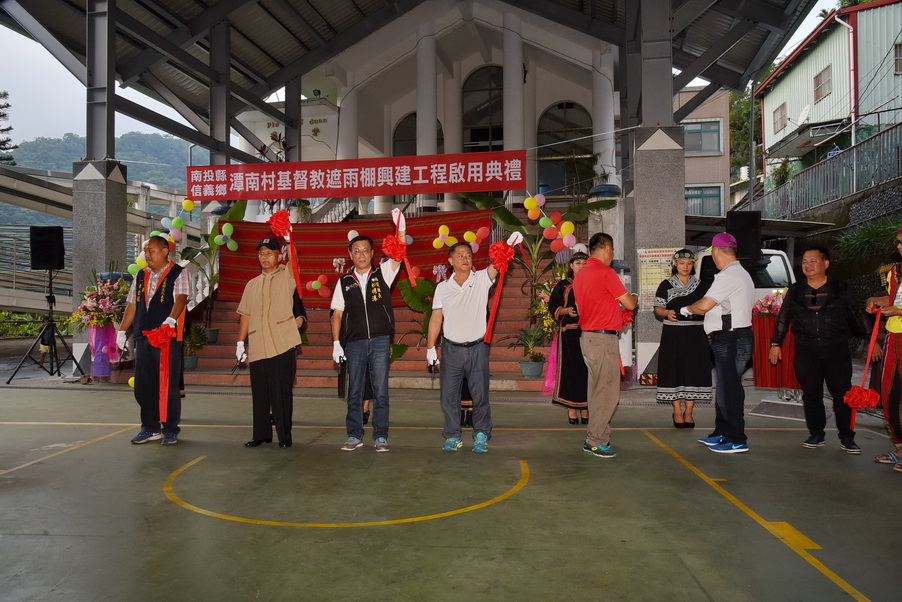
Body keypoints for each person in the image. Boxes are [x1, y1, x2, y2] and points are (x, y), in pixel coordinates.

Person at [426, 233, 521, 453]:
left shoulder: (481, 279)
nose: (465, 258)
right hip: (451, 350)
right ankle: (452, 436)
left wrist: (508, 245)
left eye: (468, 254)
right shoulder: (443, 288)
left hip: (477, 349)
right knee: (448, 397)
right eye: (459, 255)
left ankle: (481, 434)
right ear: (450, 261)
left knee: (480, 396)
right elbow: (436, 318)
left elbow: (497, 264)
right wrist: (431, 347)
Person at [769, 247, 868, 453]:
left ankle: (847, 437)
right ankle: (816, 433)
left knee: (842, 394)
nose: (808, 265)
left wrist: (871, 339)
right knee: (811, 394)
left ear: (826, 264)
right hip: (806, 349)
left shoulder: (841, 287)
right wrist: (775, 343)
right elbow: (784, 317)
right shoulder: (796, 290)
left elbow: (856, 314)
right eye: (805, 261)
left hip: (836, 349)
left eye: (813, 260)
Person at [331, 209, 406, 452]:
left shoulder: (382, 273)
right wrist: (336, 343)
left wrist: (401, 227)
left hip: (381, 341)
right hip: (354, 344)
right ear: (350, 254)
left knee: (381, 391)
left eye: (365, 250)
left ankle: (381, 436)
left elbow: (399, 252)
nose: (361, 254)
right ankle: (354, 435)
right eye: (357, 251)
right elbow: (338, 314)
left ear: (372, 254)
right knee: (354, 392)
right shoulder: (344, 282)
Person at [681, 233, 755, 454]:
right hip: (731, 337)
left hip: (731, 338)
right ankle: (722, 433)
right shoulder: (738, 273)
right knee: (724, 388)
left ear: (716, 251)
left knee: (730, 389)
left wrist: (685, 309)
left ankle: (737, 438)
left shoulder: (729, 276)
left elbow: (704, 305)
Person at [118, 236, 191, 445]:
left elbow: (182, 298)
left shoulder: (179, 273)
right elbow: (132, 304)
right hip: (143, 336)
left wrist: (171, 319)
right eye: (145, 251)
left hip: (166, 337)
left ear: (165, 251)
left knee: (167, 385)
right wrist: (122, 331)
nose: (147, 255)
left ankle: (170, 429)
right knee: (143, 385)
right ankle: (150, 428)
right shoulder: (141, 275)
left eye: (151, 250)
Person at [236, 237, 307, 448]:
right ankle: (261, 434)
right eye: (261, 253)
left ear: (279, 255)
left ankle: (284, 436)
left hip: (282, 342)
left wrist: (290, 238)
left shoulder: (287, 277)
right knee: (259, 393)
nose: (264, 257)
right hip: (258, 343)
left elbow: (295, 263)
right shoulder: (251, 285)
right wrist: (240, 342)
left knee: (281, 392)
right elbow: (245, 315)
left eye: (269, 253)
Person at [572, 232, 637, 458]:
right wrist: (634, 299)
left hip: (587, 337)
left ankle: (597, 435)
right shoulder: (605, 272)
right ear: (607, 249)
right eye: (612, 251)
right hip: (603, 340)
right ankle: (596, 441)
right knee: (608, 393)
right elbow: (629, 302)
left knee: (596, 391)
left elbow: (581, 310)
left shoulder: (580, 275)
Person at [653, 249, 712, 428]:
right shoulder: (666, 284)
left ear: (693, 265)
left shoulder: (702, 285)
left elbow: (709, 307)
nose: (685, 266)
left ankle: (689, 411)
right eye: (681, 263)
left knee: (694, 370)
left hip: (696, 333)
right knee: (674, 369)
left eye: (689, 263)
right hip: (673, 334)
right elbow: (658, 308)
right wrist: (667, 313)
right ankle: (677, 410)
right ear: (675, 264)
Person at [866, 226, 902, 471]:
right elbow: (892, 301)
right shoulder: (895, 271)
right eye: (898, 242)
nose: (899, 246)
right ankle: (900, 448)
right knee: (891, 395)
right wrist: (873, 301)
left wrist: (899, 311)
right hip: (894, 336)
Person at [548, 251, 590, 424]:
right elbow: (553, 306)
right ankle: (572, 408)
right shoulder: (563, 285)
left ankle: (586, 408)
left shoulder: (592, 283)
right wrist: (565, 311)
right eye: (578, 263)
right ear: (571, 266)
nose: (581, 265)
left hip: (589, 331)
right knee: (571, 370)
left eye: (584, 262)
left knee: (588, 370)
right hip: (569, 334)